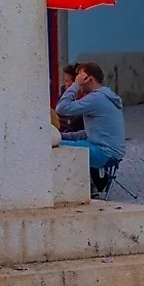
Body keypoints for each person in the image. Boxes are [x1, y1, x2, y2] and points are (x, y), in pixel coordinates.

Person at [56, 61, 127, 197]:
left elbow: (62, 108)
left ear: (89, 79)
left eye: (80, 78)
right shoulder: (105, 96)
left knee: (55, 148)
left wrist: (75, 85)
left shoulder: (96, 98)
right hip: (110, 151)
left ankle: (64, 193)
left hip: (104, 153)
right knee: (60, 142)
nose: (78, 82)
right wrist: (62, 136)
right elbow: (91, 133)